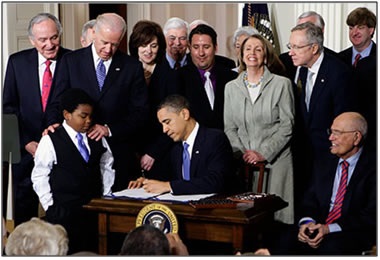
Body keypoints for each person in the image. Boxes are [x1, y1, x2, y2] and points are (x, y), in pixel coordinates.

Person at [47, 13, 149, 192]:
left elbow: (141, 113)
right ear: (93, 33)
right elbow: (57, 102)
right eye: (104, 42)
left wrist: (109, 129)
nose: (108, 49)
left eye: (115, 44)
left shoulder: (131, 67)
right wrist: (53, 125)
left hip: (118, 154)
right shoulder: (71, 61)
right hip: (77, 155)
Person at [2, 12, 71, 226]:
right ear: (33, 40)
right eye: (42, 40)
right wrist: (26, 142)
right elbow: (8, 109)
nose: (49, 44)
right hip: (26, 149)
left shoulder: (72, 60)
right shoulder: (17, 62)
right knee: (25, 212)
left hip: (61, 149)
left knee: (61, 212)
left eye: (54, 38)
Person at [31, 88, 115, 254]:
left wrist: (106, 196)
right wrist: (50, 206)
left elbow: (107, 164)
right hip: (63, 213)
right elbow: (40, 175)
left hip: (94, 211)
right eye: (83, 116)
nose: (88, 121)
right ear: (67, 114)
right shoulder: (51, 140)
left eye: (90, 116)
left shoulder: (97, 137)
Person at [224, 34, 295, 224]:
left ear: (265, 55)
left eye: (258, 49)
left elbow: (287, 126)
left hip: (276, 162)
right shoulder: (231, 87)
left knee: (276, 221)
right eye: (248, 49)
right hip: (245, 164)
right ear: (241, 54)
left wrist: (263, 153)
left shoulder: (282, 84)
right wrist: (244, 154)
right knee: (247, 222)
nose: (252, 53)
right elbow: (229, 128)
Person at [288, 22, 354, 198]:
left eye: (296, 47)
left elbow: (343, 118)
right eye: (290, 46)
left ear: (314, 48)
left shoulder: (338, 73)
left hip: (329, 154)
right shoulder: (302, 70)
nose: (290, 52)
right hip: (305, 153)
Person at [295, 112, 376, 255]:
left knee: (330, 248)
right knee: (284, 240)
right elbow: (309, 200)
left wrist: (329, 229)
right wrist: (307, 224)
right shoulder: (324, 161)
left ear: (356, 137)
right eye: (331, 132)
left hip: (351, 231)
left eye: (337, 133)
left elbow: (370, 215)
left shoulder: (373, 167)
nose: (330, 138)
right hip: (319, 226)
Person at [128, 94, 234, 195]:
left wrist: (169, 186)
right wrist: (146, 182)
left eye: (167, 122)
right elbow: (169, 178)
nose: (164, 130)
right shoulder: (176, 148)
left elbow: (216, 181)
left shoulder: (214, 138)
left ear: (184, 114)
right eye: (162, 124)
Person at [128, 20, 180, 176]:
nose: (148, 51)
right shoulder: (125, 72)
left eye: (153, 46)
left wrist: (153, 153)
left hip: (160, 152)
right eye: (143, 45)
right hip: (129, 150)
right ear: (136, 46)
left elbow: (174, 121)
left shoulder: (170, 77)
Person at [179, 24, 238, 130]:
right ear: (189, 48)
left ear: (215, 48)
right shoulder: (178, 78)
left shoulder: (232, 77)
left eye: (206, 47)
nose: (201, 53)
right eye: (196, 47)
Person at [339, 7, 376, 149]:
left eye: (360, 27)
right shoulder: (339, 59)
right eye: (351, 28)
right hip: (345, 134)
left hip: (372, 132)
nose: (354, 32)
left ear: (371, 30)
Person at [279, 11, 338, 88]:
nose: (291, 53)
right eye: (300, 28)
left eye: (308, 28)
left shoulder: (337, 69)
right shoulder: (284, 61)